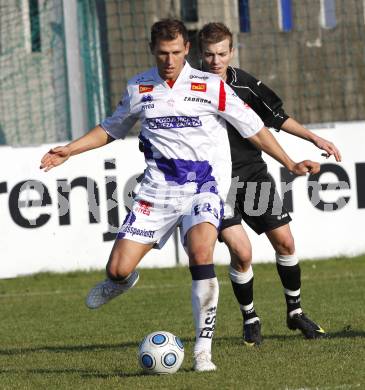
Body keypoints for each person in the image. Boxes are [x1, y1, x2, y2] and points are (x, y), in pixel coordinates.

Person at [40, 19, 320, 371]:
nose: (169, 60)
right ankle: (121, 281)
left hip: (204, 187)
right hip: (157, 192)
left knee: (200, 253)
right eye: (162, 53)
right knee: (116, 269)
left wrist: (291, 162)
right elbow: (111, 128)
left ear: (187, 49)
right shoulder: (139, 87)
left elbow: (256, 130)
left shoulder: (210, 86)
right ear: (152, 51)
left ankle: (203, 350)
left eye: (175, 52)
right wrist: (70, 149)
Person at [198, 22, 342, 346]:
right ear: (200, 54)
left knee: (286, 243)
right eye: (209, 54)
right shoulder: (189, 91)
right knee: (242, 252)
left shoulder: (244, 85)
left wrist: (313, 137)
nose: (215, 60)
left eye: (222, 53)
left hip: (251, 175)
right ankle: (250, 318)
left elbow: (276, 118)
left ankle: (295, 313)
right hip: (214, 184)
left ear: (231, 52)